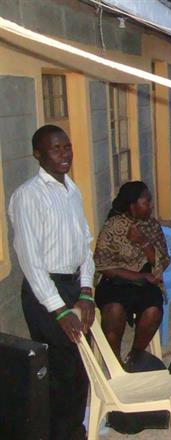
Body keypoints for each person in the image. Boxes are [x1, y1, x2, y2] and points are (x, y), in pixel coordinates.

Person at [9, 124, 96, 440]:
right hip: (45, 292)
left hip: (74, 286)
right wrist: (60, 311)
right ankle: (62, 433)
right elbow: (31, 263)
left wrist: (86, 291)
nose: (64, 154)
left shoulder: (72, 189)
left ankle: (76, 428)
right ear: (38, 154)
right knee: (61, 370)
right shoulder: (28, 196)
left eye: (67, 147)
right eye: (55, 149)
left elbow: (85, 245)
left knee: (82, 363)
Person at [93, 181, 170, 365]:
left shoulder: (151, 226)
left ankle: (135, 355)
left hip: (146, 281)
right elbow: (103, 265)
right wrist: (139, 276)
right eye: (146, 201)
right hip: (115, 281)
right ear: (132, 205)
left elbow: (161, 262)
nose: (151, 205)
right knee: (114, 310)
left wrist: (143, 241)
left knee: (153, 311)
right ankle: (114, 362)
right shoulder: (113, 227)